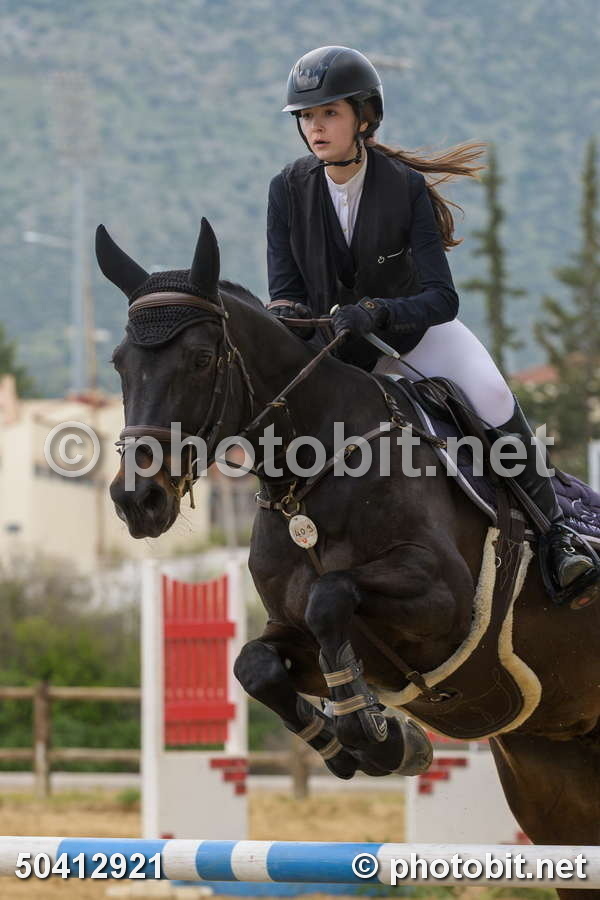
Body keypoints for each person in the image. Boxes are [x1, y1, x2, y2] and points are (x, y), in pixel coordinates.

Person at [266, 44, 597, 605]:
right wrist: (288, 317)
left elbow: (441, 298)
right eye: (306, 116)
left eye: (329, 113)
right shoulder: (286, 188)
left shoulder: (403, 187)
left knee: (492, 395)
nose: (315, 127)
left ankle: (557, 537)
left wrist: (379, 312)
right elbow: (286, 293)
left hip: (414, 336)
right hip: (337, 348)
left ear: (364, 118)